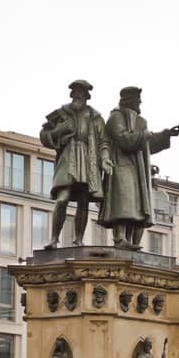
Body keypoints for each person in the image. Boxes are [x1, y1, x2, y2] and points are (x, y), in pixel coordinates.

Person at [102, 86, 179, 250]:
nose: (140, 103)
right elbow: (125, 140)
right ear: (129, 100)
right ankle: (119, 239)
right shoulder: (115, 118)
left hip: (138, 168)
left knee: (136, 206)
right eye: (138, 100)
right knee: (123, 202)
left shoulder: (140, 120)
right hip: (120, 165)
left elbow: (147, 144)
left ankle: (130, 241)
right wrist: (144, 134)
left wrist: (166, 134)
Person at [40, 78, 112, 248]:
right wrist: (58, 130)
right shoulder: (62, 112)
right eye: (75, 92)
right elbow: (45, 134)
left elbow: (104, 142)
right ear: (72, 94)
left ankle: (78, 239)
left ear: (87, 96)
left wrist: (105, 158)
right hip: (68, 157)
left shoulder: (95, 116)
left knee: (83, 200)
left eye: (81, 92)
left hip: (88, 159)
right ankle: (54, 238)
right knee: (62, 199)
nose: (78, 95)